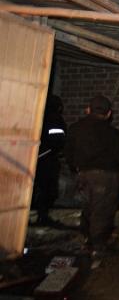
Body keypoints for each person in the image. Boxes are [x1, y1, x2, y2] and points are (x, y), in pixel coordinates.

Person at [64, 95, 119, 257]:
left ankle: (85, 241)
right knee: (102, 211)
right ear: (109, 113)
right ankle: (98, 246)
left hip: (82, 174)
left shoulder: (75, 129)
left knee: (88, 208)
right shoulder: (112, 134)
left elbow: (68, 153)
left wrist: (75, 170)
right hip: (105, 178)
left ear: (88, 110)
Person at [32, 95, 67, 226]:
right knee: (47, 188)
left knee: (37, 188)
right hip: (47, 159)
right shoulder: (54, 119)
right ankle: (43, 216)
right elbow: (58, 140)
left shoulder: (37, 116)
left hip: (35, 158)